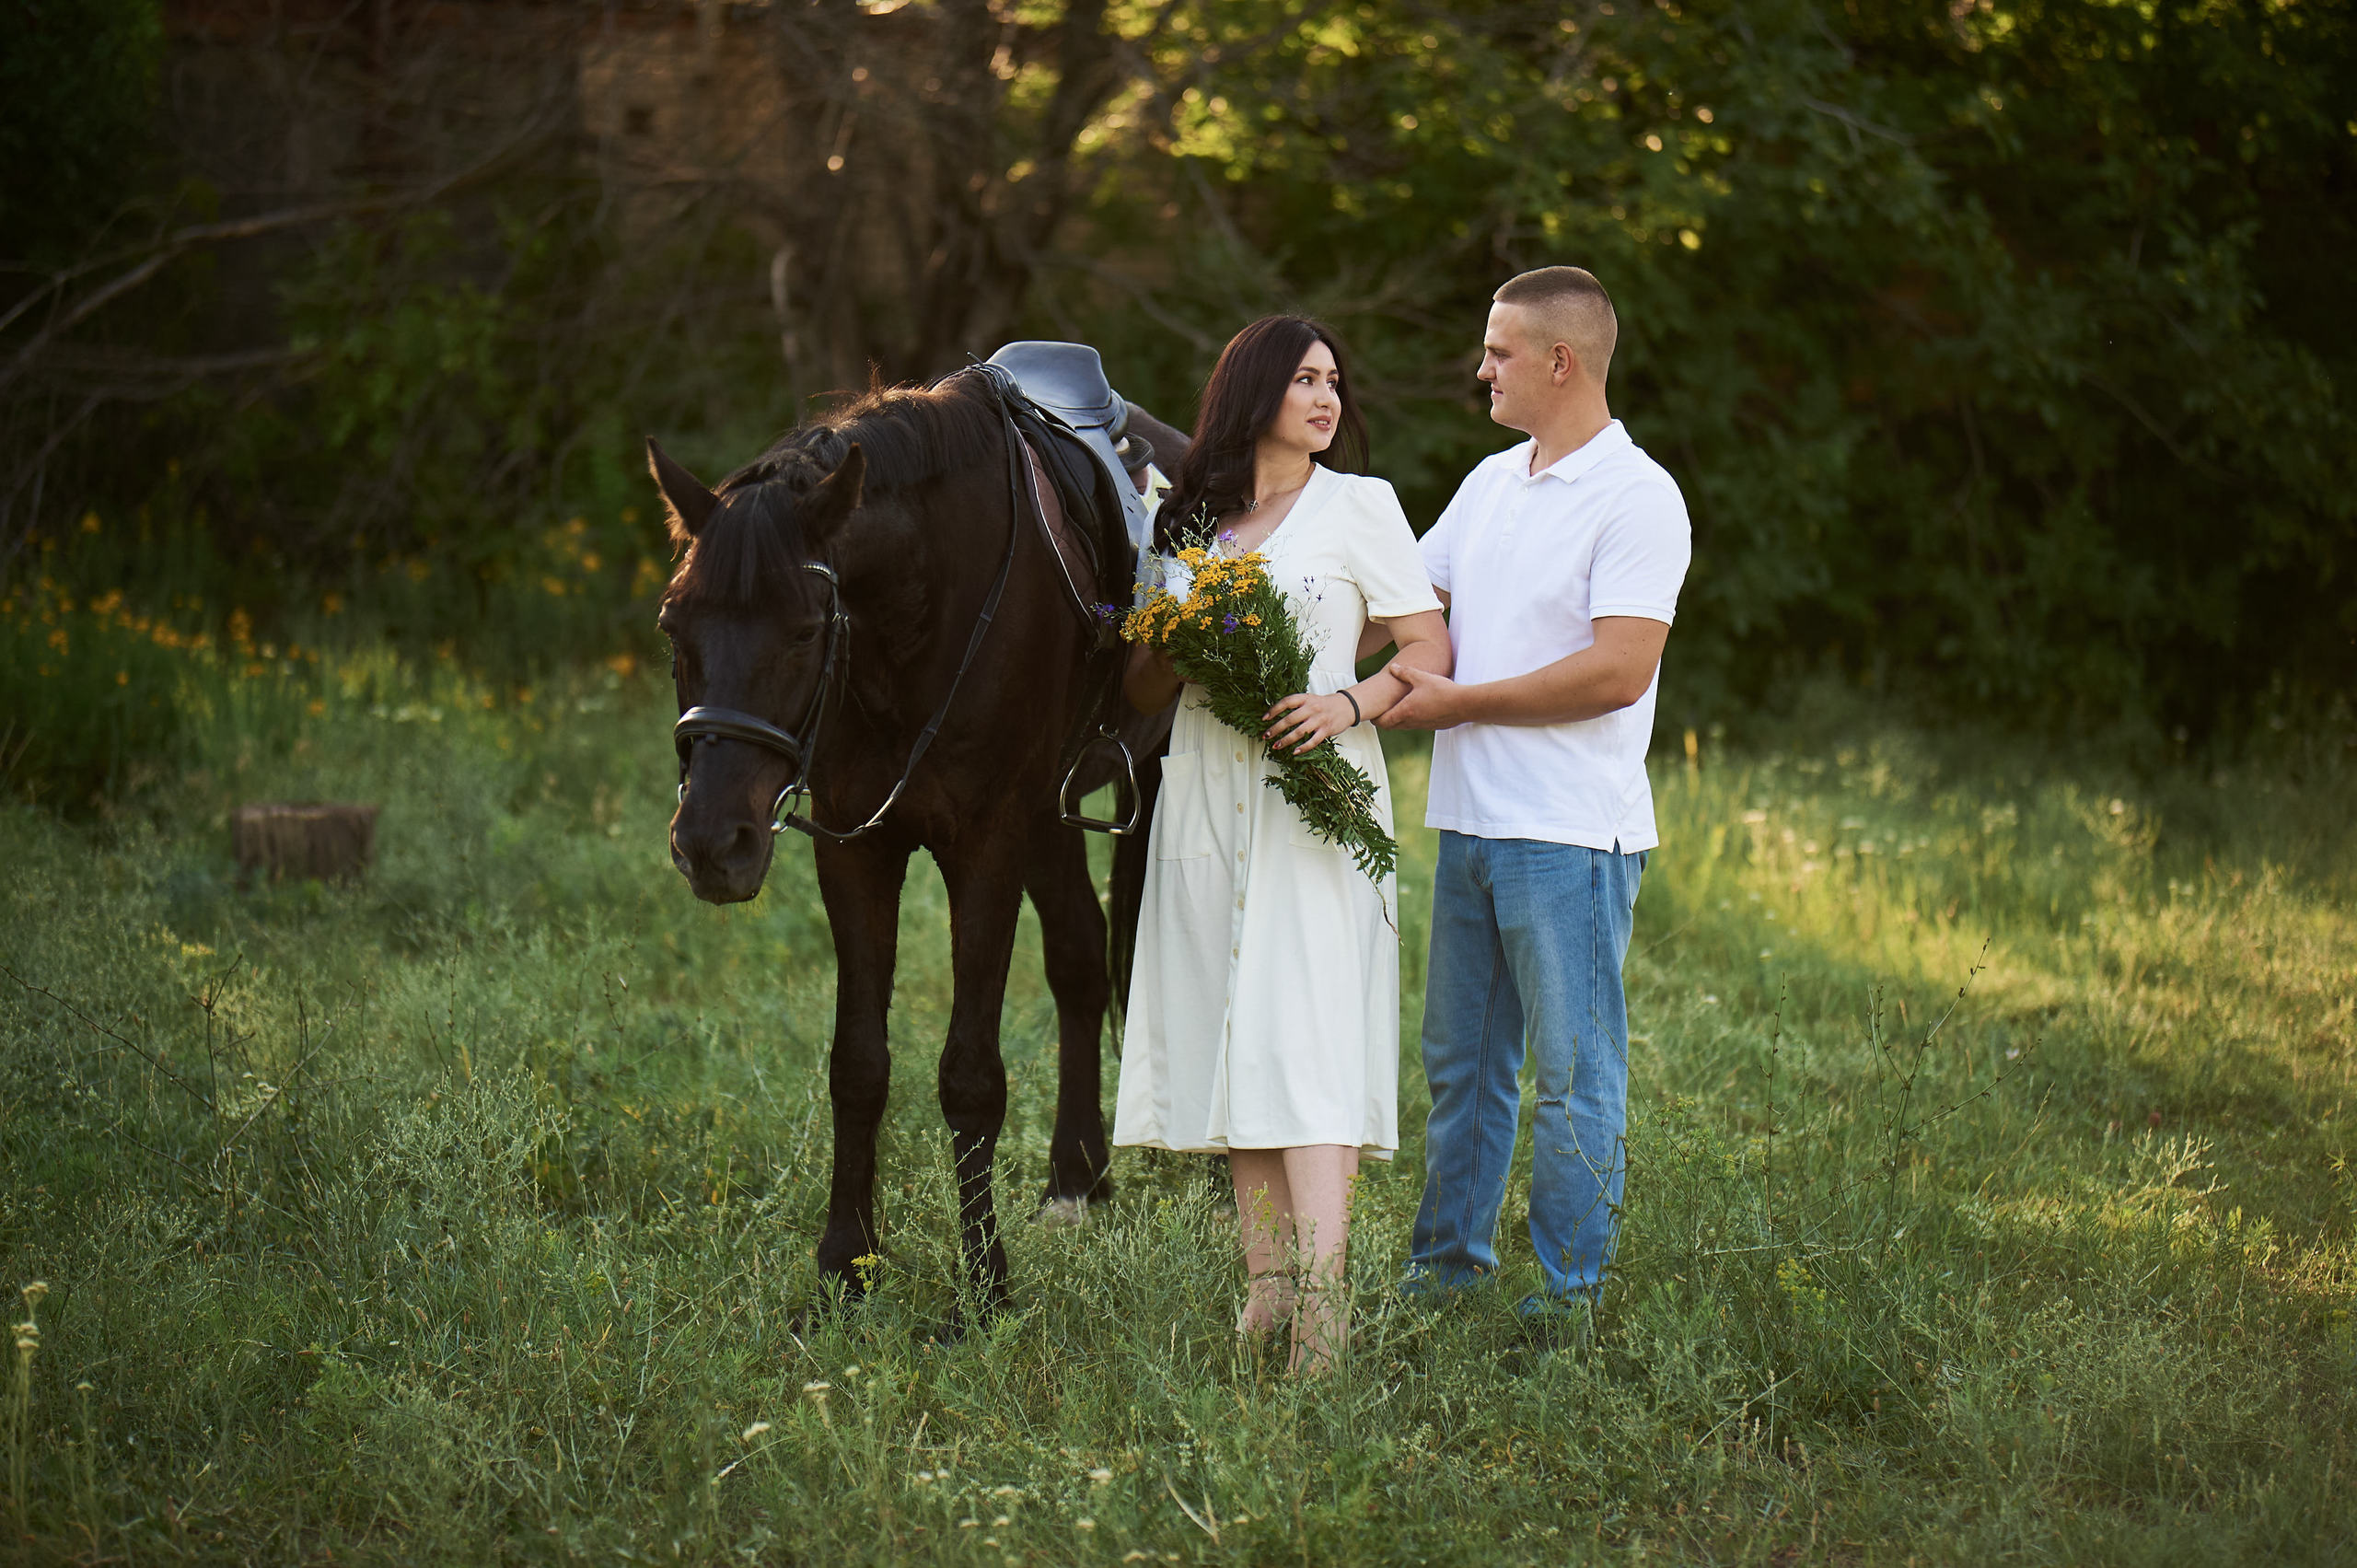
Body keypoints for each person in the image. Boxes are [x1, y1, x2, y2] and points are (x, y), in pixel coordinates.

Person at [1113, 315, 1453, 1372]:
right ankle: (1267, 1295)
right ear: (1252, 389)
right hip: (1209, 791)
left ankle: (1328, 1307)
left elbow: (1426, 644)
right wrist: (1180, 640)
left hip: (1316, 785)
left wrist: (1346, 705)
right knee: (1241, 1034)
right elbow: (1136, 690)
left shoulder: (1361, 505)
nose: (1326, 398)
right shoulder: (1185, 524)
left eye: (1334, 381)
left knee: (1307, 1036)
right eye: (1304, 378)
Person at [1380, 266, 1691, 1328]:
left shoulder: (1639, 496)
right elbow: (1408, 606)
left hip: (1569, 837)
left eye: (1499, 350)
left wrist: (1461, 700)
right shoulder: (1487, 482)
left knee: (1571, 1076)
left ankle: (1570, 1301)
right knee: (1462, 1069)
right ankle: (1445, 1274)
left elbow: (1617, 670)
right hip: (1470, 823)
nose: (1482, 368)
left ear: (1561, 361)